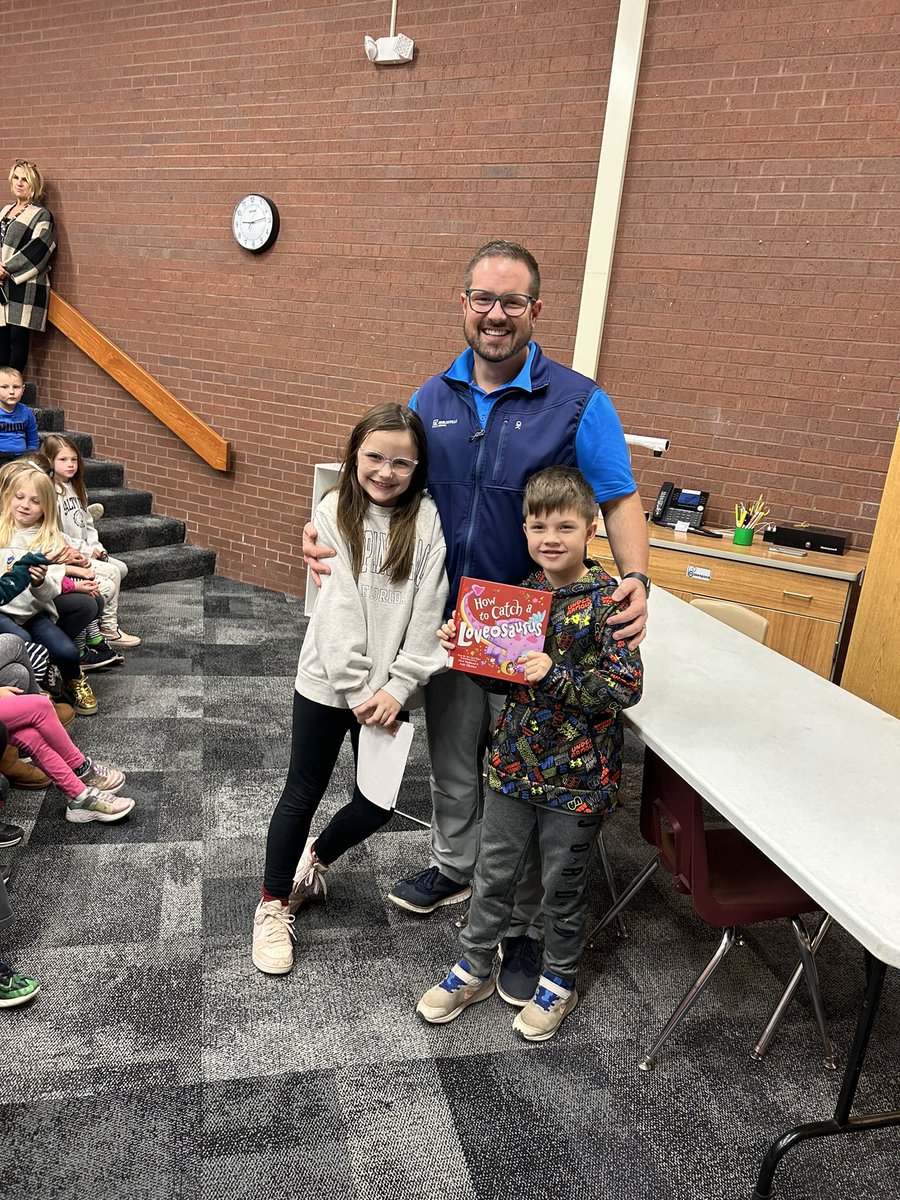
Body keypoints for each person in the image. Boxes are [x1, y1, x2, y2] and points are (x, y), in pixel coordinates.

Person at [304, 240, 650, 1002]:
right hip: (452, 626)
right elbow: (385, 483)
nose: (495, 315)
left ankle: (524, 922)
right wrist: (325, 524)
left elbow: (619, 496)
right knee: (457, 762)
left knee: (526, 777)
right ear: (463, 303)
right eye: (482, 300)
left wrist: (636, 579)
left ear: (535, 310)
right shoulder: (433, 397)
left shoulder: (578, 401)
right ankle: (457, 868)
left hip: (537, 630)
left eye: (511, 302)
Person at [417, 466, 643, 1040]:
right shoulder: (520, 597)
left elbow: (625, 688)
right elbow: (505, 684)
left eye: (565, 526)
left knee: (561, 888)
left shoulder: (609, 602)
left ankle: (559, 980)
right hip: (513, 767)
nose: (550, 538)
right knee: (493, 875)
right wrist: (470, 653)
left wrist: (554, 674)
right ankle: (473, 964)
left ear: (591, 530)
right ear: (523, 530)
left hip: (578, 779)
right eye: (538, 526)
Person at [252, 403, 449, 976]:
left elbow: (429, 607)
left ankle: (313, 861)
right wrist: (361, 688)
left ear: (418, 467)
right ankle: (271, 905)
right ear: (354, 455)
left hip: (390, 694)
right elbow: (336, 608)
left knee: (377, 805)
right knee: (302, 792)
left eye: (401, 462)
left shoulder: (429, 521)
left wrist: (400, 685)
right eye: (374, 457)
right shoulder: (335, 508)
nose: (386, 471)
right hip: (327, 683)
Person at [0, 464, 101, 715]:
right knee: (21, 643)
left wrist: (39, 582)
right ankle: (37, 695)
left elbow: (49, 593)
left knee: (67, 651)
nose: (24, 505)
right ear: (8, 496)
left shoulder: (50, 542)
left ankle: (72, 679)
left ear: (46, 507)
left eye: (35, 501)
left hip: (34, 613)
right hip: (2, 612)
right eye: (19, 497)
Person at [45, 435, 141, 652]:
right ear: (50, 461)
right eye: (63, 460)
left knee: (121, 568)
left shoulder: (78, 488)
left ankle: (95, 623)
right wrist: (87, 550)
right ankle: (108, 628)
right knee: (113, 573)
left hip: (86, 550)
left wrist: (97, 547)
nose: (70, 464)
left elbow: (88, 524)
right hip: (68, 553)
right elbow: (55, 533)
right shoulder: (50, 491)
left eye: (74, 460)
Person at [0, 161, 56, 373]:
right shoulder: (5, 211)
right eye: (16, 178)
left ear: (34, 184)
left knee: (18, 336)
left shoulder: (42, 214)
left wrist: (6, 268)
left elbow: (40, 248)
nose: (20, 183)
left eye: (25, 179)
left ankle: (13, 387)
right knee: (1, 337)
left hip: (25, 283)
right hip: (2, 285)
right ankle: (1, 391)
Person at [0, 367, 39, 464]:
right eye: (5, 387)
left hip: (22, 458)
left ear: (23, 389)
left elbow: (33, 440)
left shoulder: (26, 412)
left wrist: (31, 458)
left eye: (16, 387)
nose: (12, 392)